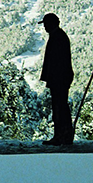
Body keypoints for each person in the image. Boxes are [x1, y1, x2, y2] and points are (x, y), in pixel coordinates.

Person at [38, 13, 74, 145]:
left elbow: (57, 62)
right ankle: (63, 136)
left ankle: (62, 137)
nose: (45, 27)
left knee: (60, 108)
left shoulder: (57, 37)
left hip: (59, 79)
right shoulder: (58, 36)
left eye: (46, 24)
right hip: (60, 78)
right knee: (60, 107)